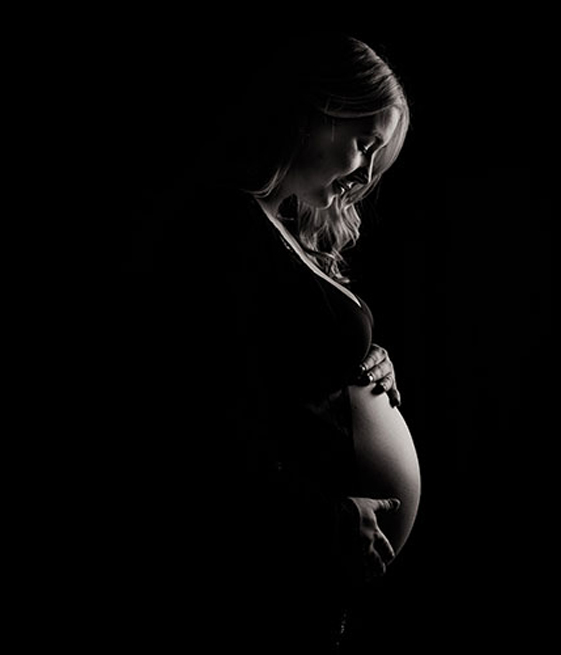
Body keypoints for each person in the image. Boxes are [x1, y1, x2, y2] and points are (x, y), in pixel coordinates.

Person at [122, 33, 417, 652]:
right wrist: (329, 518)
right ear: (319, 109)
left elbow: (293, 365)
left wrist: (364, 361)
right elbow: (204, 421)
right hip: (264, 571)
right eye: (364, 145)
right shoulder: (226, 228)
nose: (364, 176)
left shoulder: (283, 234)